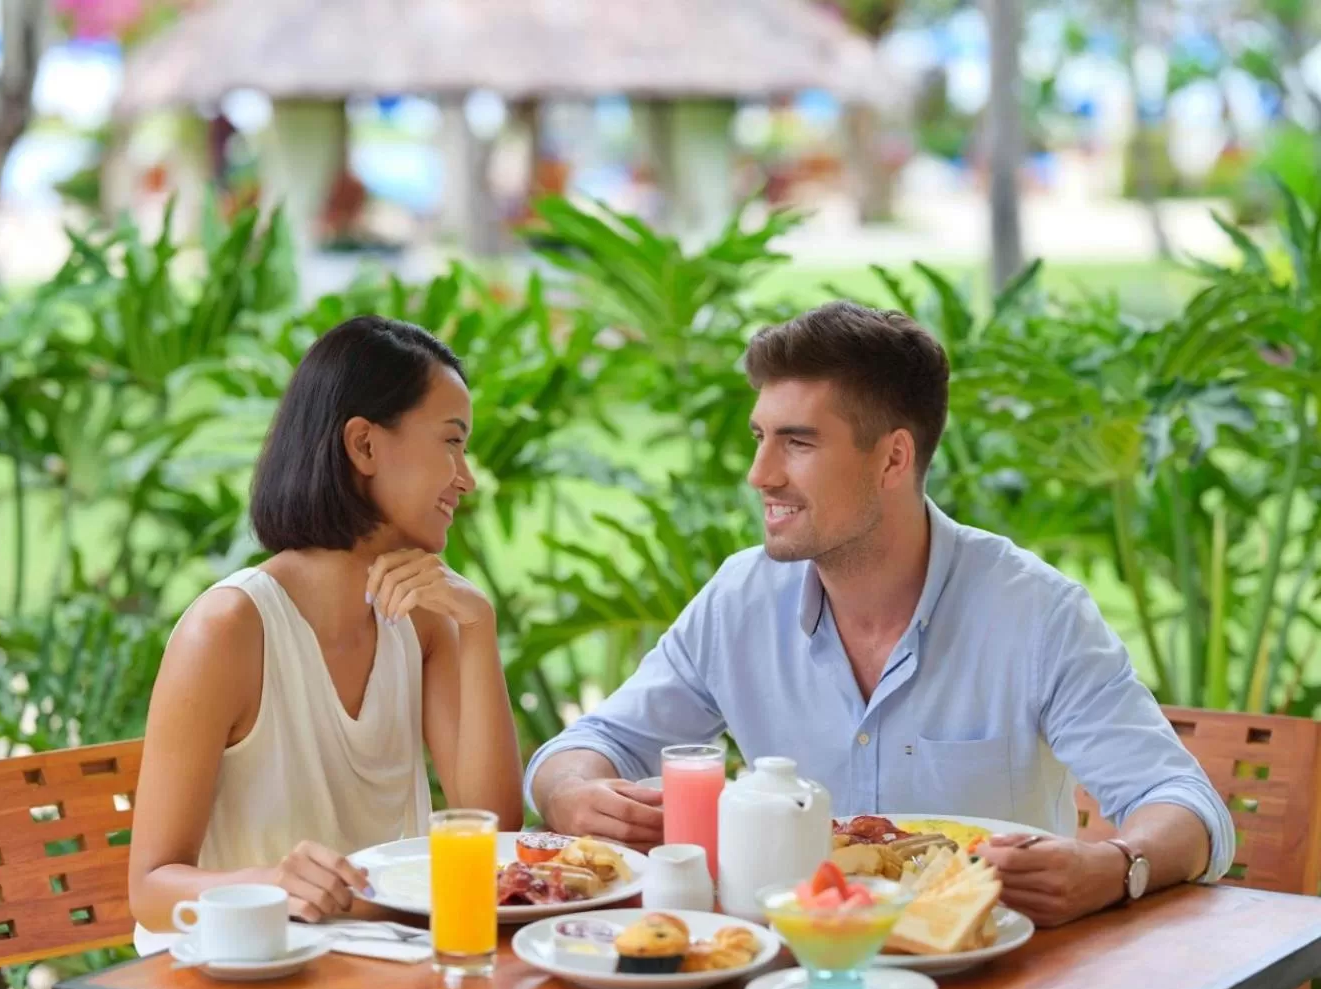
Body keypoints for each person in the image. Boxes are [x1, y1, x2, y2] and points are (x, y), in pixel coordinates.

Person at [526, 300, 1233, 929]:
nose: (760, 474)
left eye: (797, 443)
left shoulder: (1034, 613)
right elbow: (587, 747)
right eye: (759, 436)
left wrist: (1114, 867)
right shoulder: (739, 602)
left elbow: (1181, 803)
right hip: (791, 988)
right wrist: (574, 795)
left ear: (894, 459)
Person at [120, 316, 523, 989]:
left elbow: (492, 832)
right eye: (451, 440)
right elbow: (150, 890)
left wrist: (478, 629)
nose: (465, 477)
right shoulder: (228, 630)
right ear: (365, 445)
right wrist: (274, 885)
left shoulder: (428, 623)